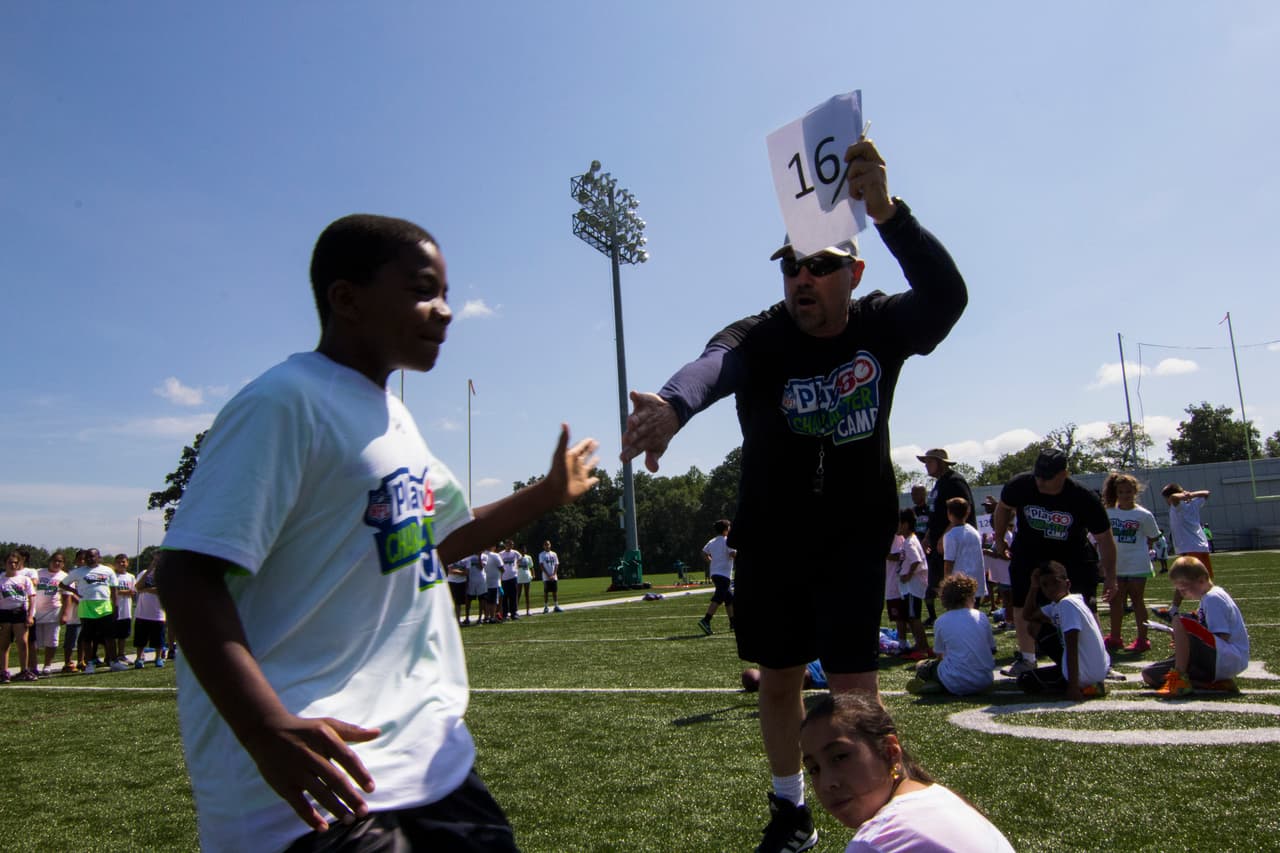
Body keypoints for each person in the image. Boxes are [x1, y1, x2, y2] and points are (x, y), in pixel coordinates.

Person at [153, 213, 599, 853]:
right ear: (346, 298)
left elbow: (440, 538)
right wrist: (263, 726)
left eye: (445, 292)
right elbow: (185, 572)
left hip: (428, 760)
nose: (445, 311)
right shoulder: (285, 401)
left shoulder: (393, 416)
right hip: (317, 778)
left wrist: (548, 494)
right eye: (423, 289)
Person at [620, 138, 966, 852]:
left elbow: (947, 298)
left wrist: (888, 213)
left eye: (820, 265)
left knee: (855, 694)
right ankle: (791, 808)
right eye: (790, 265)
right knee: (778, 682)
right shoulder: (764, 335)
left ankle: (878, 815)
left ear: (853, 270)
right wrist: (674, 407)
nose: (801, 278)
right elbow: (715, 364)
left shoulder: (879, 325)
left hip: (850, 539)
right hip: (774, 540)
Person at [800, 692, 1014, 852]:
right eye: (814, 769)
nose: (827, 783)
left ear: (890, 751)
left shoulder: (877, 841)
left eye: (840, 757)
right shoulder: (939, 796)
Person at [993, 448, 1117, 679]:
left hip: (1072, 554)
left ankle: (1100, 661)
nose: (1040, 481)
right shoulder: (1021, 485)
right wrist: (999, 538)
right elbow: (1003, 508)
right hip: (1029, 552)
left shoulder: (1083, 497)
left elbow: (1105, 538)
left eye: (1047, 477)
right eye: (1038, 475)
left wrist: (1111, 576)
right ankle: (1027, 659)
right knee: (1021, 603)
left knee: (1085, 605)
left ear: (1064, 474)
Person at [1143, 556, 1249, 696]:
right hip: (1221, 657)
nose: (1182, 594)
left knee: (1180, 621)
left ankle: (1180, 678)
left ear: (1201, 580)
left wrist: (1188, 638)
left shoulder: (1213, 598)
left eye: (1184, 589)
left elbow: (1221, 636)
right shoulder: (1208, 598)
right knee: (1150, 675)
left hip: (1227, 657)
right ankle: (1212, 684)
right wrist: (1185, 640)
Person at [1016, 561, 1110, 700]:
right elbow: (1028, 616)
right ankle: (1084, 682)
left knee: (1026, 680)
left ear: (1067, 584)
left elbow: (1072, 645)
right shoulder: (1061, 604)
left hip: (1085, 674)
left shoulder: (1068, 604)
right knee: (1034, 626)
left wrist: (1073, 686)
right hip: (1095, 671)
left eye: (1055, 582)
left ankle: (1083, 687)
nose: (1050, 588)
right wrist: (1034, 586)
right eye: (1045, 585)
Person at [907, 573, 995, 696]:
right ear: (967, 597)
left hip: (955, 681)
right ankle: (938, 684)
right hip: (985, 680)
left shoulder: (941, 621)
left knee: (922, 665)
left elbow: (939, 655)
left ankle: (935, 684)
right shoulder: (981, 616)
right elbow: (992, 649)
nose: (975, 599)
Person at [1102, 472, 1161, 654]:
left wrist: (1141, 548)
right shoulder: (1109, 513)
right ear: (1116, 493)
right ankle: (1115, 637)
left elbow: (1153, 536)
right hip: (1116, 565)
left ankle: (1143, 639)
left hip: (1137, 565)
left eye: (1128, 491)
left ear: (1135, 492)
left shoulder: (1143, 514)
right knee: (1116, 602)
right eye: (1121, 492)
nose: (1125, 495)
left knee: (1137, 601)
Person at [919, 449, 975, 626]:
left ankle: (965, 619)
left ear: (940, 462)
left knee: (955, 582)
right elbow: (936, 514)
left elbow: (963, 510)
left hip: (953, 540)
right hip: (939, 541)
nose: (926, 466)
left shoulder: (954, 481)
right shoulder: (938, 484)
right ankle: (948, 618)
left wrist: (945, 536)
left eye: (929, 462)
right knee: (937, 582)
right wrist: (929, 535)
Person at [59, 547, 122, 674]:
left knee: (109, 637)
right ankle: (89, 664)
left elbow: (114, 590)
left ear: (99, 557)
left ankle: (114, 662)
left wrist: (115, 606)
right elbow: (62, 584)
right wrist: (74, 591)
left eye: (93, 556)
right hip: (86, 607)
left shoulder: (108, 571)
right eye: (87, 557)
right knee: (87, 638)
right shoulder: (78, 572)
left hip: (105, 606)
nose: (90, 559)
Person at [1162, 483, 1213, 613]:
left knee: (1195, 581)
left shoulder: (1179, 505)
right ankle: (1179, 609)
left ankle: (1204, 610)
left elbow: (1174, 497)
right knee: (1191, 580)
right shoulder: (1192, 503)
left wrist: (1187, 495)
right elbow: (1206, 493)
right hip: (1194, 547)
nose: (1167, 502)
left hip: (1191, 547)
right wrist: (1190, 495)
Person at [895, 509, 930, 661]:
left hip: (912, 586)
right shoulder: (908, 540)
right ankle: (920, 645)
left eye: (899, 524)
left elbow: (916, 561)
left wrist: (908, 575)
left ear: (906, 524)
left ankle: (922, 647)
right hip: (910, 586)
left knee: (914, 617)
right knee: (911, 616)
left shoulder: (910, 542)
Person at [941, 496, 986, 607]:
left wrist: (946, 584)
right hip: (976, 581)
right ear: (967, 512)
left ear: (949, 513)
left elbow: (949, 562)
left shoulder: (951, 535)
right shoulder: (974, 532)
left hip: (959, 584)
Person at [1, 550, 37, 683]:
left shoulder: (25, 579)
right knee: (4, 644)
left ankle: (24, 670)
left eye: (16, 563)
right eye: (10, 562)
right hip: (4, 613)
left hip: (20, 613)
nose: (13, 565)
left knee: (22, 643)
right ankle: (4, 671)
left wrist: (30, 615)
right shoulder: (1, 579)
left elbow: (32, 597)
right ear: (5, 563)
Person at [698, 519, 736, 634]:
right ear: (726, 529)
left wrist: (712, 562)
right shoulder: (728, 540)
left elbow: (703, 553)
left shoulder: (712, 541)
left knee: (729, 599)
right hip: (724, 574)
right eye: (729, 528)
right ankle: (706, 620)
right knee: (719, 597)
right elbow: (732, 554)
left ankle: (733, 623)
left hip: (714, 573)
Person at [33, 553, 68, 675]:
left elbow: (67, 597)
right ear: (50, 561)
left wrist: (65, 614)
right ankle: (33, 665)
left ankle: (47, 665)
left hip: (54, 611)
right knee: (34, 642)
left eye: (60, 561)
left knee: (52, 640)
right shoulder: (38, 572)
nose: (57, 563)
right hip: (36, 612)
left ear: (63, 564)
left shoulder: (64, 576)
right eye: (55, 560)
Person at [133, 557, 167, 667]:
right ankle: (139, 658)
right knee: (140, 639)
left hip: (158, 613)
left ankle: (158, 658)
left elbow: (163, 590)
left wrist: (146, 589)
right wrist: (149, 569)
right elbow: (138, 586)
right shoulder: (144, 573)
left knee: (158, 639)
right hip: (142, 613)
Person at [111, 553, 136, 666]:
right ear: (115, 564)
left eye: (124, 561)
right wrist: (125, 592)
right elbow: (111, 591)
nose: (122, 564)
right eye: (119, 561)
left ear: (127, 563)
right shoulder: (112, 576)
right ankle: (111, 656)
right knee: (112, 635)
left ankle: (121, 654)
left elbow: (134, 591)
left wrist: (130, 592)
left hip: (126, 610)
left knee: (123, 635)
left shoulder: (131, 577)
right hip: (114, 609)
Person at [498, 540, 521, 621]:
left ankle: (514, 613)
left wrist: (516, 567)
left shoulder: (515, 553)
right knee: (504, 596)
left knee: (513, 596)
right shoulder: (501, 554)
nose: (510, 546)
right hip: (504, 578)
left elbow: (520, 559)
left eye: (511, 544)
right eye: (508, 544)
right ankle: (504, 613)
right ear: (505, 545)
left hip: (513, 577)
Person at [539, 540, 563, 613]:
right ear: (544, 546)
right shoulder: (541, 554)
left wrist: (554, 574)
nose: (547, 546)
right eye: (546, 545)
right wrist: (548, 575)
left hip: (553, 576)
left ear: (550, 545)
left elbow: (556, 564)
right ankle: (546, 607)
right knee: (546, 592)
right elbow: (541, 565)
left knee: (554, 591)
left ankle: (556, 606)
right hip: (546, 577)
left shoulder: (554, 554)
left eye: (548, 544)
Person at [516, 548, 534, 616]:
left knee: (527, 594)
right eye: (522, 550)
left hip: (526, 577)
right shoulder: (517, 557)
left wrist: (533, 575)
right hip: (519, 577)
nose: (523, 551)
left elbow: (531, 567)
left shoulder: (528, 557)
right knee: (518, 594)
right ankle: (516, 610)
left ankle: (528, 610)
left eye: (524, 550)